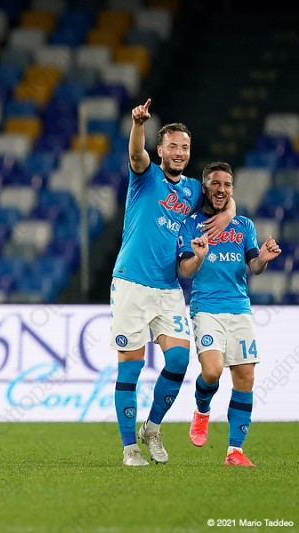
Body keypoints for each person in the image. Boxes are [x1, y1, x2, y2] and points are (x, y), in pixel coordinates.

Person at [111, 99, 235, 466]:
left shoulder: (194, 190)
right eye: (173, 146)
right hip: (132, 283)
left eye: (185, 147)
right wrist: (138, 124)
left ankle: (152, 427)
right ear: (161, 150)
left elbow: (223, 196)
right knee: (130, 368)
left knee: (179, 360)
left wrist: (227, 213)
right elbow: (135, 154)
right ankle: (129, 448)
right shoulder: (145, 176)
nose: (179, 152)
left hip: (167, 288)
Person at [178, 161, 280, 467]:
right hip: (206, 308)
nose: (221, 189)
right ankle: (202, 410)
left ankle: (235, 451)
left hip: (239, 308)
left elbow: (254, 267)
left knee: (245, 376)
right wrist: (198, 257)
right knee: (211, 372)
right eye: (215, 183)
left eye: (227, 184)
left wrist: (263, 258)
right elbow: (185, 270)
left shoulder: (244, 226)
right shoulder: (191, 224)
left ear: (232, 188)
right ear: (205, 187)